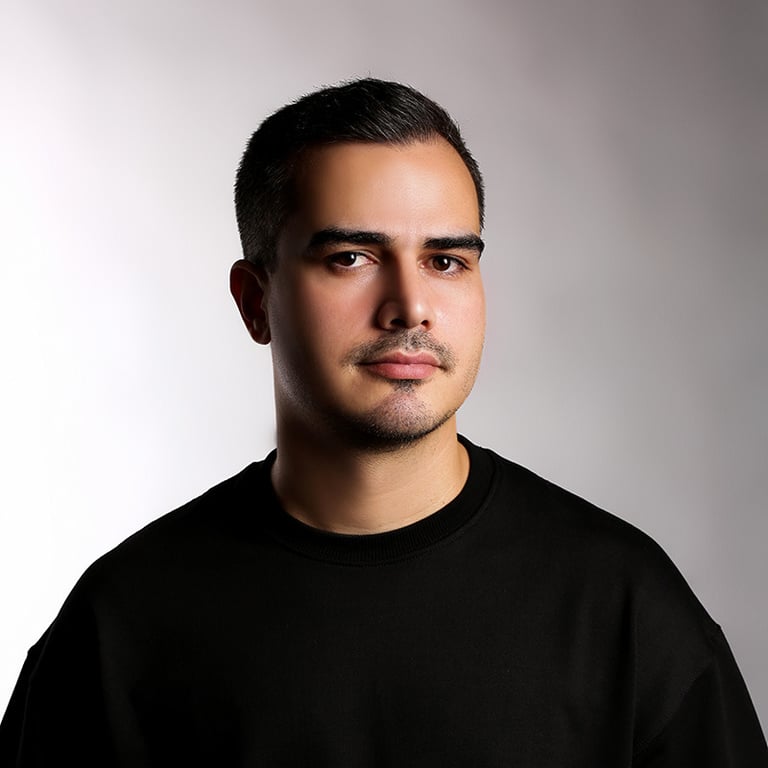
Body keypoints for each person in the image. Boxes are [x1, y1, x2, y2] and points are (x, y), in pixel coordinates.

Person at [1, 78, 766, 767]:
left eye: (446, 261)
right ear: (254, 299)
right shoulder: (122, 628)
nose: (410, 306)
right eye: (350, 257)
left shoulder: (624, 608)